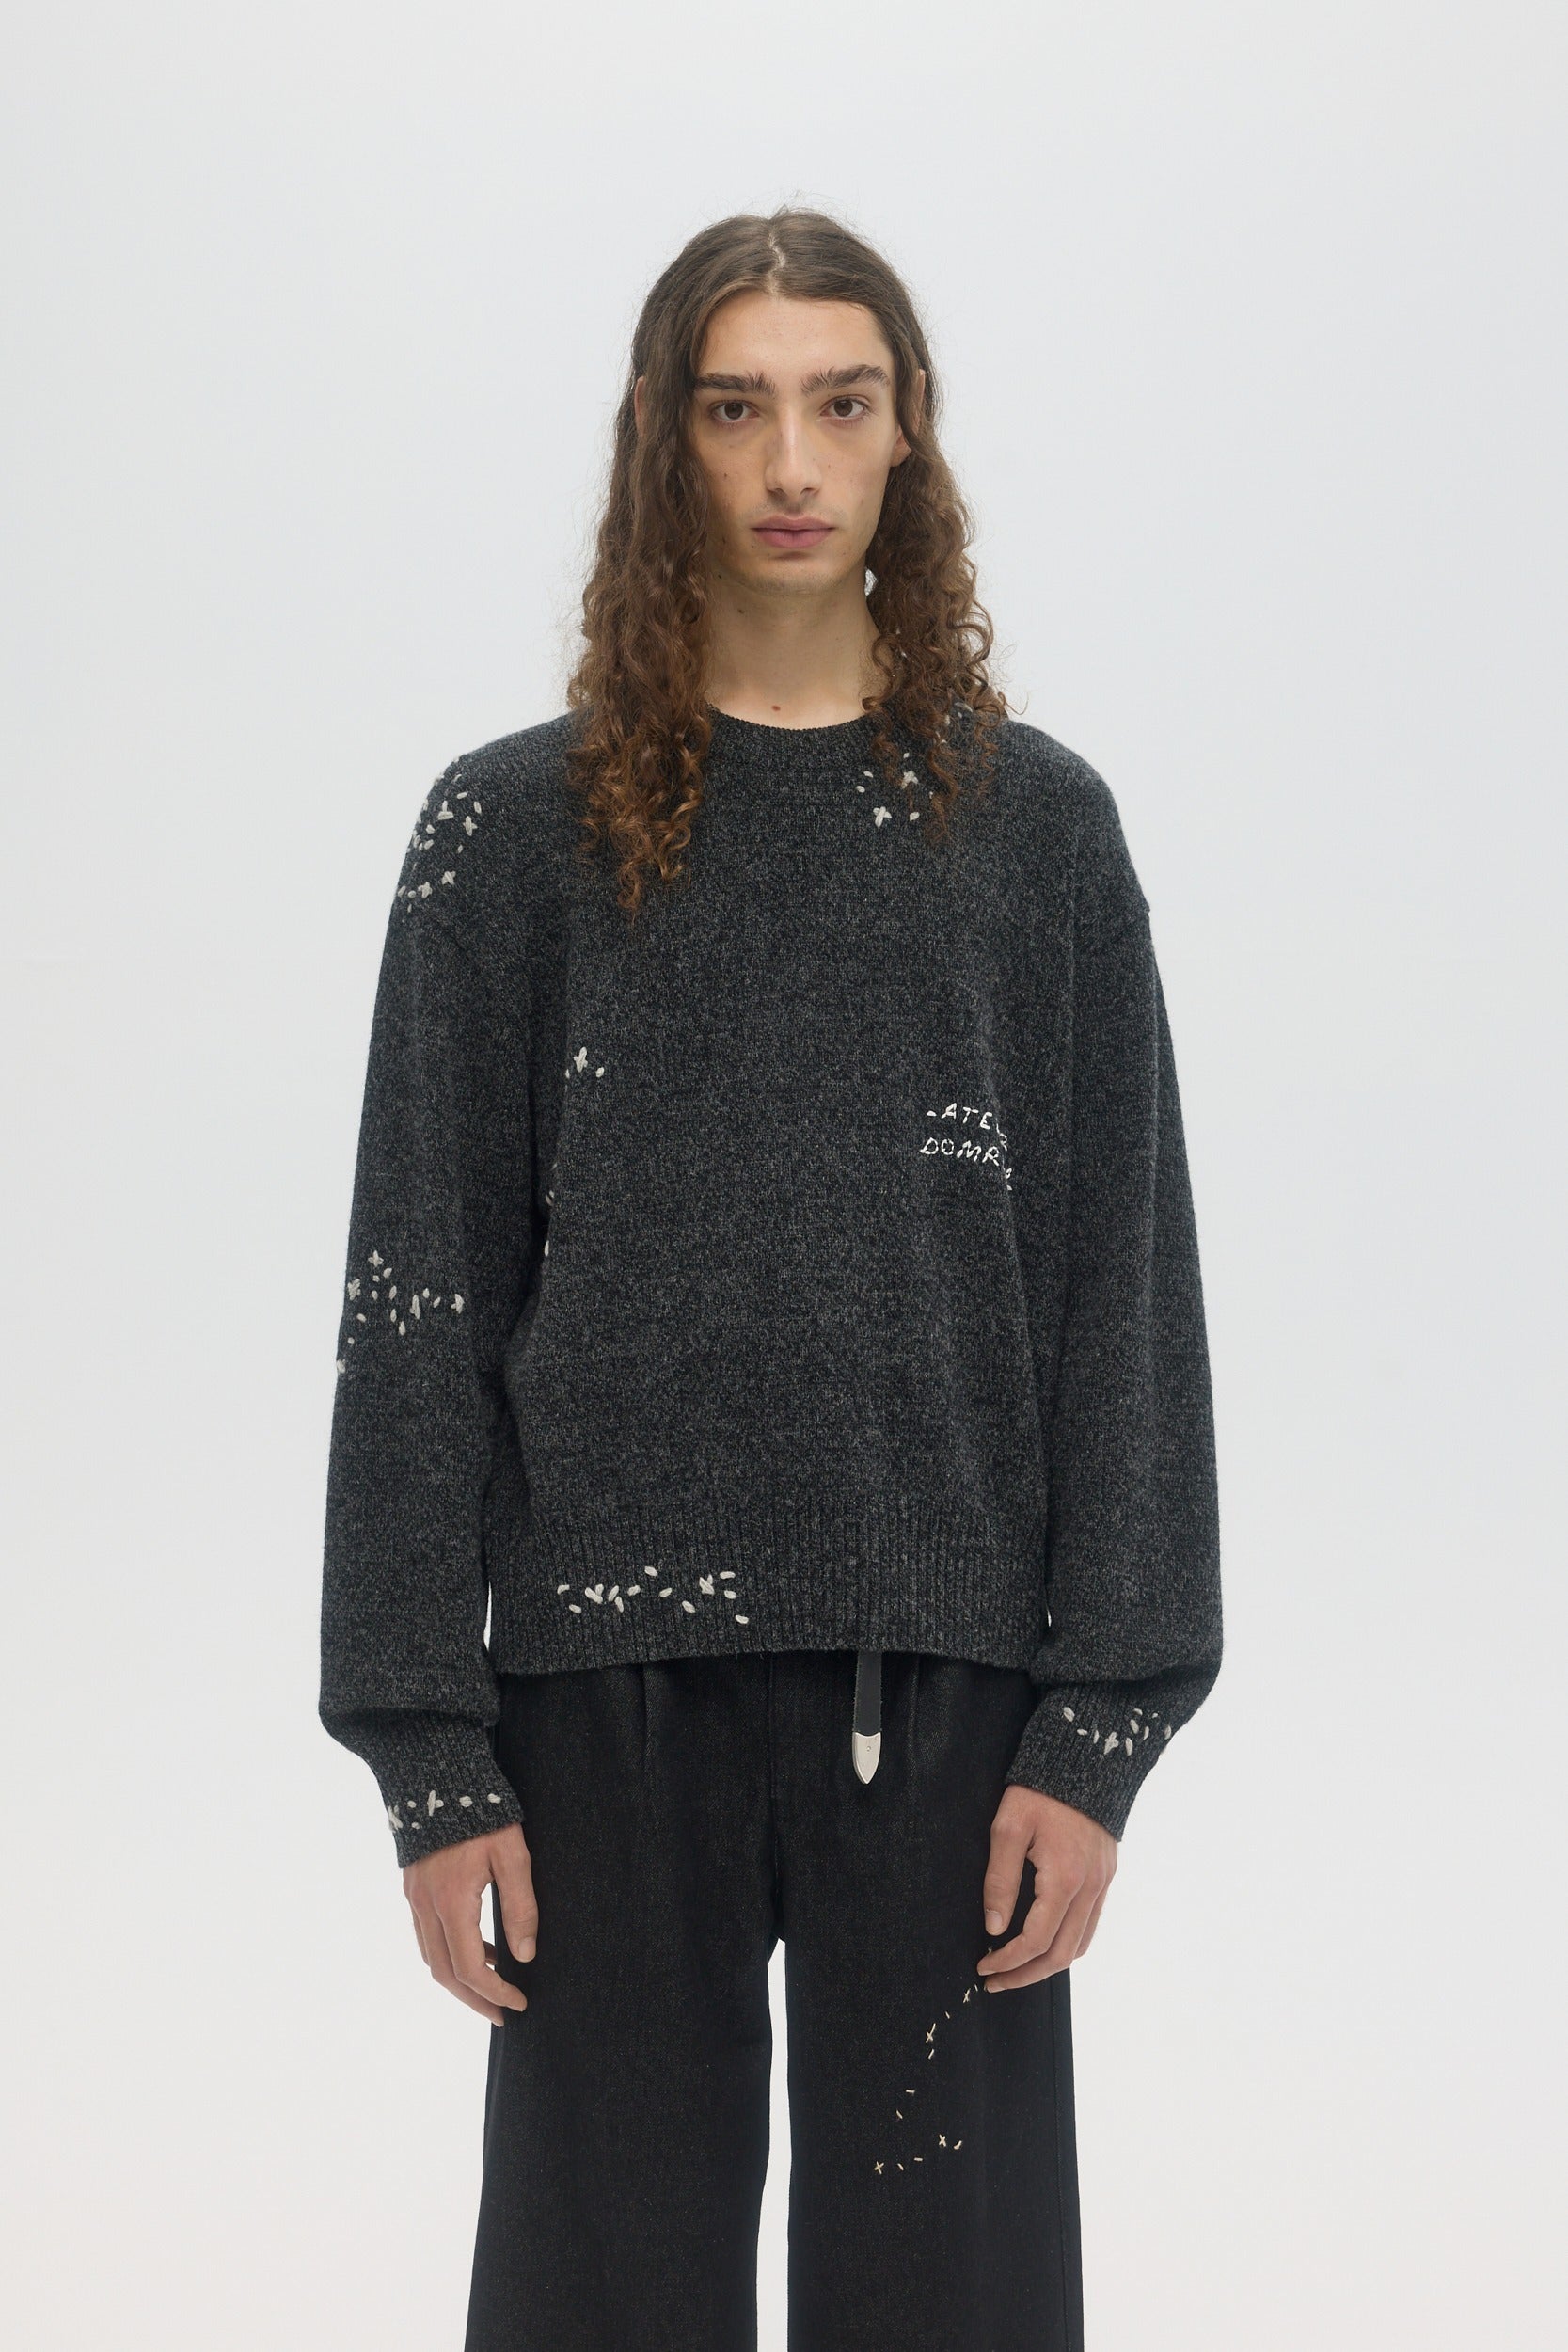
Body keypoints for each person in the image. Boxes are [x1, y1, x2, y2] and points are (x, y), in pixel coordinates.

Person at [318, 205, 1223, 2352]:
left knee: (952, 2300)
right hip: (601, 1697)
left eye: (841, 402)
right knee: (603, 2295)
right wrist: (428, 1747)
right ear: (666, 437)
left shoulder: (1036, 836)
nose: (791, 462)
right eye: (737, 408)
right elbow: (418, 1300)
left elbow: (1122, 1291)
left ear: (911, 434)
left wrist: (1102, 1722)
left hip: (955, 1690)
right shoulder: (511, 837)